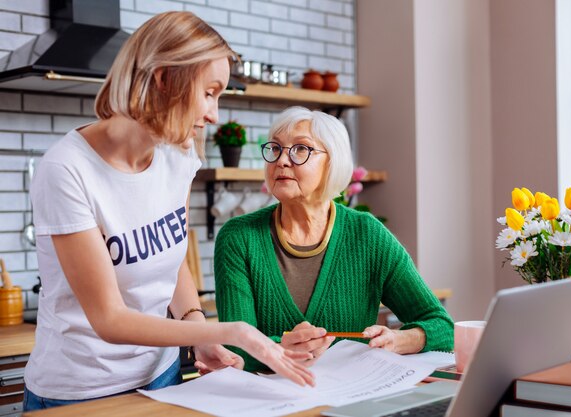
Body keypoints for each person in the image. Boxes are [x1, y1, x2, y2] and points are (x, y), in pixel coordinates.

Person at [23, 12, 313, 412]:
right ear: (164, 79)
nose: (213, 114)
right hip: (80, 392)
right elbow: (108, 318)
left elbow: (171, 255)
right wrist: (235, 332)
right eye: (209, 92)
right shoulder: (67, 170)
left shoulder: (178, 153)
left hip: (163, 378)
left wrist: (198, 332)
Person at [215, 106, 454, 372]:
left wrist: (401, 339)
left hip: (350, 401)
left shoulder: (367, 234)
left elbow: (442, 326)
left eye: (301, 149)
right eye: (275, 149)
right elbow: (234, 348)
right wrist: (279, 351)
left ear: (333, 161)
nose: (281, 160)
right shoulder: (238, 237)